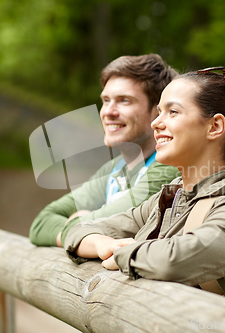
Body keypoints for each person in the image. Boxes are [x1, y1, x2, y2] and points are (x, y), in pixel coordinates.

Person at [63, 67, 225, 303]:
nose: (156, 123)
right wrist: (101, 245)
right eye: (158, 112)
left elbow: (181, 258)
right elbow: (77, 232)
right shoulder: (169, 199)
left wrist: (122, 253)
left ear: (215, 126)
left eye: (173, 112)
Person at [29, 54, 181, 248]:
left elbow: (89, 225)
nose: (108, 111)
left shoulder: (170, 166)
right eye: (106, 100)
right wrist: (81, 233)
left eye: (124, 101)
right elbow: (40, 224)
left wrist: (76, 225)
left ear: (158, 110)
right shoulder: (113, 170)